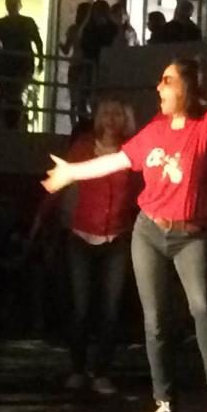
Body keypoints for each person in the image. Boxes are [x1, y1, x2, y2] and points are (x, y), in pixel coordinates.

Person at [41, 14, 207, 412]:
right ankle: (164, 398)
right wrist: (71, 173)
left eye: (167, 80)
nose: (159, 86)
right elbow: (114, 161)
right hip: (149, 231)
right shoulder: (153, 131)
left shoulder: (206, 129)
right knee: (154, 320)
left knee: (202, 309)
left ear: (187, 89)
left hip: (192, 235)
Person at [33, 95, 141, 392]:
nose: (110, 119)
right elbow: (60, 184)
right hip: (81, 236)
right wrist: (41, 219)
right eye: (105, 113)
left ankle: (102, 372)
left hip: (116, 237)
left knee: (110, 308)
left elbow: (142, 193)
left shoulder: (133, 152)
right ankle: (78, 368)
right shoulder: (82, 146)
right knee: (80, 307)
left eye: (116, 114)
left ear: (125, 120)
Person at [0, 0, 44, 129]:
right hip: (11, 64)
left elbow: (38, 41)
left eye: (14, 3)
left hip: (20, 64)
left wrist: (41, 60)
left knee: (15, 94)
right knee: (11, 95)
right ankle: (12, 123)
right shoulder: (5, 23)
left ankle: (14, 122)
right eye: (11, 3)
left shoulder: (9, 23)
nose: (12, 6)